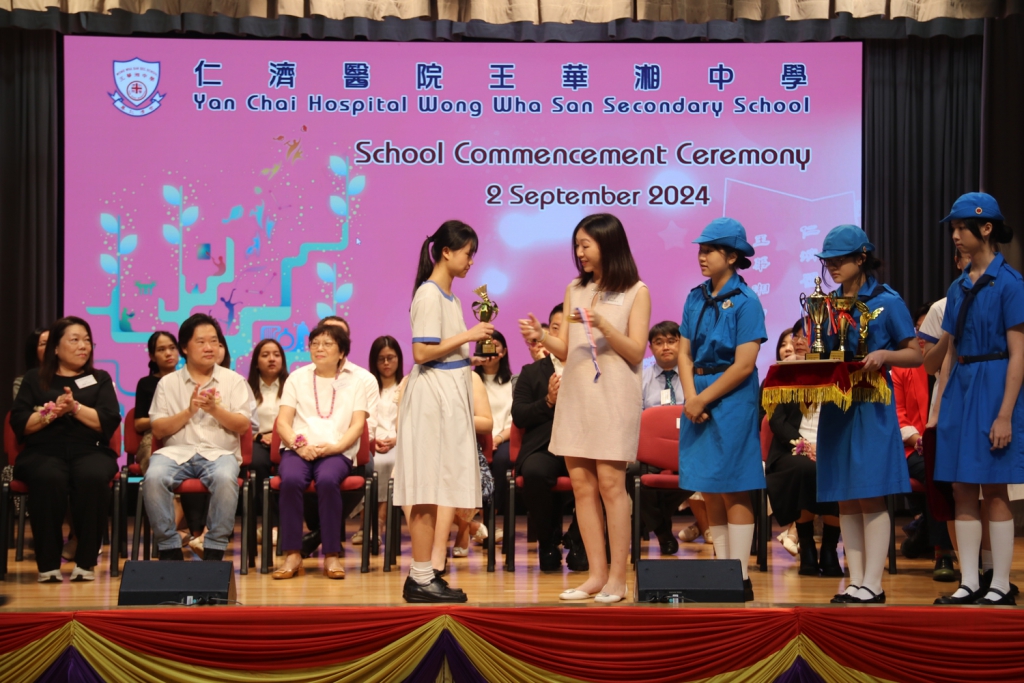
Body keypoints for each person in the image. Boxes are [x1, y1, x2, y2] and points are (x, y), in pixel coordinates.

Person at [520, 213, 651, 604]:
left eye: (585, 245)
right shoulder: (574, 289)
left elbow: (636, 352)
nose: (579, 253)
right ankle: (595, 575)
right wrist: (542, 336)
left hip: (613, 397)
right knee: (582, 486)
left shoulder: (636, 291)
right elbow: (567, 349)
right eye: (576, 245)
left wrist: (605, 326)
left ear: (608, 245)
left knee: (611, 485)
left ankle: (618, 579)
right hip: (576, 395)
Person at [813, 225, 921, 604]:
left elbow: (915, 353)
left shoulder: (887, 301)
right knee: (845, 496)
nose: (832, 267)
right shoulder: (826, 303)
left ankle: (873, 583)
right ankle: (855, 580)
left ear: (862, 257)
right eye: (828, 261)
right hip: (837, 405)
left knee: (871, 493)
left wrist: (886, 355)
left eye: (840, 259)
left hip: (872, 404)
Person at [929, 193, 1024, 605]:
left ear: (986, 228)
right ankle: (969, 581)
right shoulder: (957, 286)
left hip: (994, 383)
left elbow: (1019, 353)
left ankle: (999, 583)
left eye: (961, 227)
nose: (955, 235)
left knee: (994, 487)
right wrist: (940, 407)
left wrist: (1005, 414)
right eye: (952, 228)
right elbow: (949, 350)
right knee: (961, 486)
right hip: (961, 388)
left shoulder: (1011, 283)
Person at [393, 220, 492, 603]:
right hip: (432, 396)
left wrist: (469, 356)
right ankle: (420, 577)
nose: (471, 261)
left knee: (439, 486)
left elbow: (444, 349)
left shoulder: (450, 299)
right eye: (468, 253)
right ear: (447, 252)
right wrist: (469, 335)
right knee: (425, 486)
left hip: (449, 392)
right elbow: (421, 352)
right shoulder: (429, 294)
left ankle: (427, 574)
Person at [677, 218, 767, 601]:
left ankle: (740, 576)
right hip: (696, 392)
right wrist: (690, 397)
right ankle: (721, 571)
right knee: (709, 488)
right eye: (700, 250)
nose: (702, 256)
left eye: (710, 250)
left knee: (735, 488)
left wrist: (703, 398)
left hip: (732, 396)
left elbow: (744, 365)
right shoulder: (695, 297)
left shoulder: (747, 301)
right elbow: (683, 353)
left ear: (732, 256)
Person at [10, 317, 121, 582]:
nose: (83, 346)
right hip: (43, 450)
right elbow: (20, 423)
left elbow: (108, 420)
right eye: (75, 340)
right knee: (48, 477)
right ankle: (48, 565)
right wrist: (52, 413)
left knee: (93, 476)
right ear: (56, 348)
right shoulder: (35, 379)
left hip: (90, 450)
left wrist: (75, 408)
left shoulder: (99, 378)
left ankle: (86, 562)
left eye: (87, 340)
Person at [144, 314, 251, 562]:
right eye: (201, 342)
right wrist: (189, 412)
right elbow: (158, 429)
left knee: (225, 478)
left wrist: (214, 409)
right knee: (154, 477)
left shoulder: (234, 381)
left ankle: (214, 548)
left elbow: (243, 425)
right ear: (184, 347)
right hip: (175, 453)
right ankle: (169, 548)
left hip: (219, 453)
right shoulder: (167, 383)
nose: (209, 347)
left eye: (214, 341)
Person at [271, 324, 368, 580]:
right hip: (298, 449)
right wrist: (299, 445)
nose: (319, 348)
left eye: (327, 344)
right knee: (291, 480)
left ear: (341, 352)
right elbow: (283, 423)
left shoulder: (356, 382)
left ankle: (332, 554)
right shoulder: (296, 378)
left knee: (327, 480)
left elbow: (358, 425)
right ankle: (292, 554)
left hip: (336, 450)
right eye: (315, 343)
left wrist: (337, 447)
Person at [512, 304, 587, 571]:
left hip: (583, 446)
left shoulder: (590, 367)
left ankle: (578, 539)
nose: (562, 334)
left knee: (604, 473)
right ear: (549, 331)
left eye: (569, 328)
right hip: (545, 448)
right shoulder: (531, 372)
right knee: (534, 472)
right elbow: (519, 415)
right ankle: (548, 541)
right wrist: (548, 401)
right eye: (556, 328)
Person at [765, 329, 843, 577]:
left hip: (832, 447)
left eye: (805, 336)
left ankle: (829, 549)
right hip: (791, 449)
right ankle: (807, 547)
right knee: (805, 469)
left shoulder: (839, 372)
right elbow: (777, 421)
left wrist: (826, 446)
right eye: (796, 337)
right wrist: (803, 445)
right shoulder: (783, 373)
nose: (798, 342)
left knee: (836, 470)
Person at [314, 315, 379, 550]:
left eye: (335, 337)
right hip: (313, 446)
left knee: (366, 468)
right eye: (322, 338)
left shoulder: (363, 379)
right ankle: (320, 530)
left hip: (350, 446)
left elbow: (369, 427)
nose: (326, 344)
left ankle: (322, 534)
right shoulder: (304, 376)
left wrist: (338, 444)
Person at [638, 320, 689, 555]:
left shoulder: (694, 375)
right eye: (659, 342)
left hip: (688, 447)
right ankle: (662, 532)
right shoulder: (641, 378)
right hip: (652, 452)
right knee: (633, 473)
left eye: (671, 341)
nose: (665, 347)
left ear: (681, 344)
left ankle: (658, 520)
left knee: (701, 471)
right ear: (650, 348)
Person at [247, 338, 289, 541]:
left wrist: (280, 436)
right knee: (256, 464)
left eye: (276, 355)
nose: (272, 359)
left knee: (288, 468)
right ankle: (267, 523)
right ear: (256, 362)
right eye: (265, 355)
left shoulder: (292, 386)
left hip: (288, 440)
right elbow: (242, 422)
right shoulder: (247, 389)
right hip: (259, 440)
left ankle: (284, 525)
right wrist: (260, 436)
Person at [474, 329, 513, 534]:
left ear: (504, 351)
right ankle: (473, 523)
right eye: (485, 345)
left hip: (503, 437)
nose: (490, 350)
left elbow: (514, 421)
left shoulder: (513, 382)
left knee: (502, 460)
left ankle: (490, 519)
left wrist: (497, 438)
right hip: (474, 437)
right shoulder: (470, 380)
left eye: (495, 345)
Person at [368, 335, 404, 544]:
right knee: (371, 463)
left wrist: (397, 439)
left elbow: (414, 420)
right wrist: (372, 441)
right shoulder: (367, 387)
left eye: (391, 358)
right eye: (381, 359)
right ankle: (368, 523)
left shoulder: (406, 385)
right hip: (373, 442)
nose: (386, 363)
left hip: (400, 441)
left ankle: (379, 522)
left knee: (390, 462)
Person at [133, 332, 181, 474]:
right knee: (153, 459)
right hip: (154, 435)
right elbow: (138, 423)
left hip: (184, 431)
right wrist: (162, 420)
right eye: (161, 349)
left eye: (172, 348)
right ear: (152, 356)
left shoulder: (188, 380)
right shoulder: (145, 383)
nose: (168, 353)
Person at [13, 327, 48, 399]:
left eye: (53, 342)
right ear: (33, 350)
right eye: (44, 344)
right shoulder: (22, 382)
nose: (50, 347)